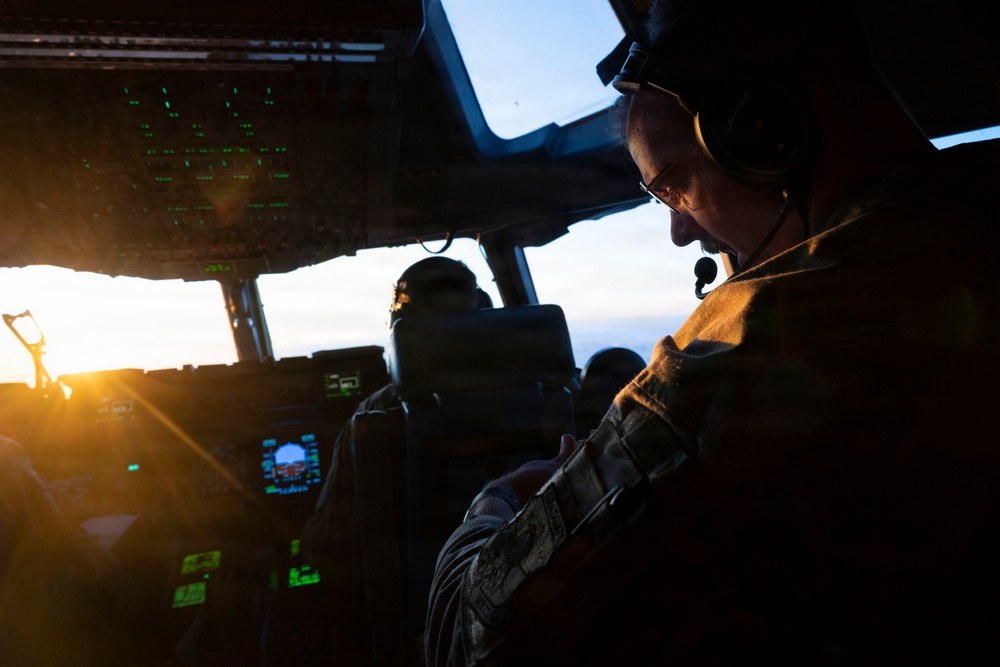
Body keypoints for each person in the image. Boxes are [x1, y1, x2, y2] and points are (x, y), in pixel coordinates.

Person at [425, 0, 1000, 664]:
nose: (680, 230)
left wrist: (494, 507)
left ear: (761, 132)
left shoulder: (748, 351)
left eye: (674, 188)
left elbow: (480, 640)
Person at [299, 256, 485, 663]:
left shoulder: (374, 418)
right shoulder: (553, 397)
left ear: (401, 328)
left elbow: (327, 548)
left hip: (411, 631)